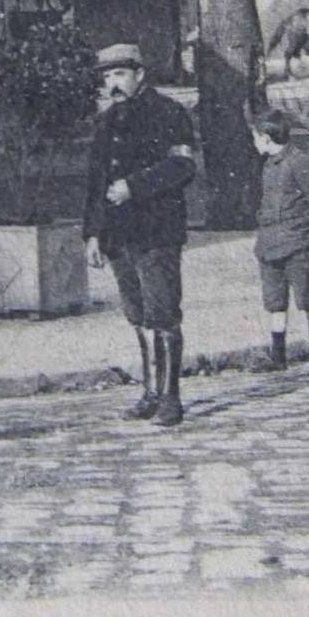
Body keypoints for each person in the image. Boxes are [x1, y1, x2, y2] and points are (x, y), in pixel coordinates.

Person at [83, 43, 196, 427]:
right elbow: (95, 182)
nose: (112, 84)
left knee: (163, 312)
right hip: (118, 236)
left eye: (119, 74)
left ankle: (171, 398)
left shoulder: (169, 113)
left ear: (140, 74)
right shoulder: (105, 122)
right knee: (137, 315)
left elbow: (182, 166)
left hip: (157, 231)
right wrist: (93, 235)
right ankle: (150, 392)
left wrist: (135, 186)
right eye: (107, 76)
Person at [251, 109, 309, 373]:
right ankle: (278, 357)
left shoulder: (299, 161)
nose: (254, 143)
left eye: (255, 137)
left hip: (298, 244)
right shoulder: (268, 165)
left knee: (307, 299)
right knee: (275, 303)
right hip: (270, 247)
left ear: (265, 137)